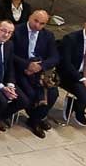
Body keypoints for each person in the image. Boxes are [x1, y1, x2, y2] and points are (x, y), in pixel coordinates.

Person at [12, 9, 59, 138]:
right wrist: (27, 65)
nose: (37, 25)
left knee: (53, 93)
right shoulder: (16, 31)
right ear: (30, 17)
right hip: (20, 70)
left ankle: (35, 119)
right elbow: (10, 54)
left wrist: (40, 66)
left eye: (42, 23)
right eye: (35, 21)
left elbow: (55, 57)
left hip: (39, 72)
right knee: (31, 93)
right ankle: (35, 118)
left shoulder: (48, 35)